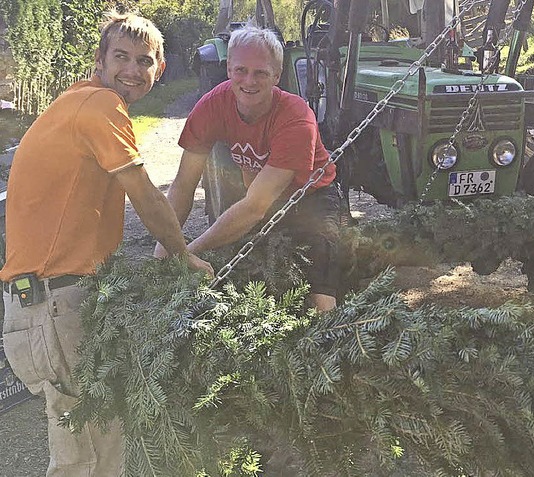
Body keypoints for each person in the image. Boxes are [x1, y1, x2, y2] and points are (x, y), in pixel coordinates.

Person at [0, 11, 213, 477]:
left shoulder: (77, 102)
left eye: (145, 60)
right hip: (53, 301)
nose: (133, 70)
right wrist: (183, 257)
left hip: (54, 298)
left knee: (105, 440)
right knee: (80, 458)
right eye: (122, 57)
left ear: (158, 70)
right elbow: (143, 191)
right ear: (100, 59)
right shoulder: (99, 106)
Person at [154, 25, 340, 311]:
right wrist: (164, 248)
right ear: (228, 68)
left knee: (321, 291)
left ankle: (330, 331)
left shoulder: (297, 118)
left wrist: (188, 250)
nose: (249, 81)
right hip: (257, 193)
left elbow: (255, 207)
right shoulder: (213, 105)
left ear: (277, 76)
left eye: (261, 73)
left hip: (311, 198)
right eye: (241, 70)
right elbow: (184, 184)